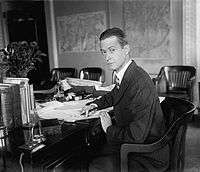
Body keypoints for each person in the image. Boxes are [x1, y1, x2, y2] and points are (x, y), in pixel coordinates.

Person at [82, 27, 169, 172]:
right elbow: (114, 94)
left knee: (92, 163)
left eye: (112, 50)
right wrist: (94, 104)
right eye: (104, 52)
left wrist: (109, 128)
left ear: (126, 49)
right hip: (134, 146)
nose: (107, 57)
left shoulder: (139, 81)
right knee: (89, 152)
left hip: (147, 155)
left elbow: (137, 136)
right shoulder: (126, 74)